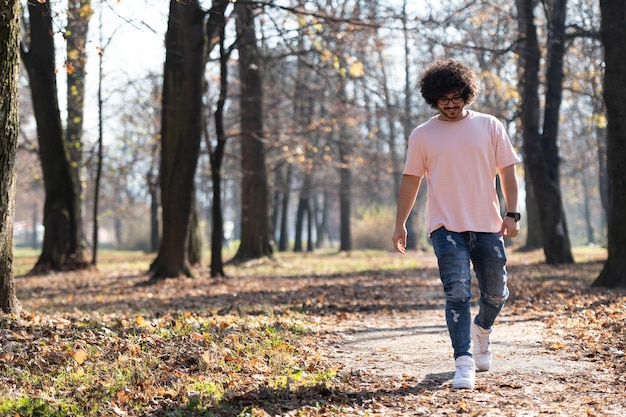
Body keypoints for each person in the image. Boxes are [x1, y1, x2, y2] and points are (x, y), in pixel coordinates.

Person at [391, 58, 521, 390]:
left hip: (488, 224)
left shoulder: (490, 126)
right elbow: (410, 181)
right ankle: (463, 361)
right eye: (443, 99)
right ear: (433, 99)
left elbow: (507, 171)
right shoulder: (423, 135)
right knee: (458, 292)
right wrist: (400, 223)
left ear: (467, 93)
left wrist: (512, 213)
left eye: (456, 97)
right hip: (445, 227)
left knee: (496, 291)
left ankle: (482, 331)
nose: (450, 104)